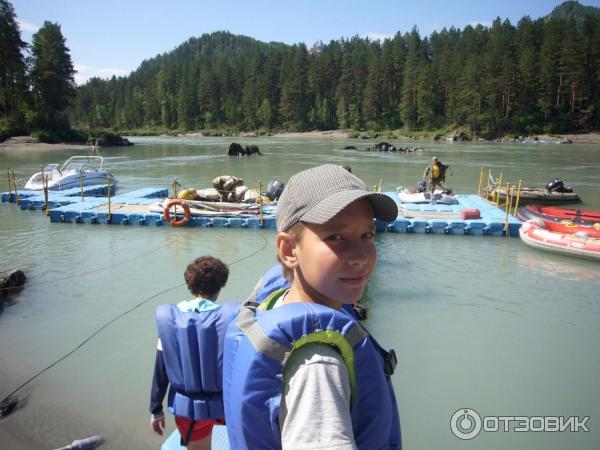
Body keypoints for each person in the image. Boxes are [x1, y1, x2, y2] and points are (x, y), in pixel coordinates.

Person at [223, 164, 402, 449]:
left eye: (367, 235)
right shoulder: (317, 365)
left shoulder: (276, 301)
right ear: (288, 250)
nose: (360, 256)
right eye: (336, 237)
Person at [150, 256, 234, 450]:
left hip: (188, 407)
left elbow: (160, 371)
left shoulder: (171, 321)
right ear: (221, 285)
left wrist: (156, 409)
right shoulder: (230, 319)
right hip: (224, 403)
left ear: (190, 284)